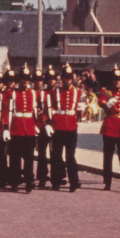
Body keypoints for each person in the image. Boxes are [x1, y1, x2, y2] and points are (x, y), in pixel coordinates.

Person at [48, 64, 83, 192]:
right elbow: (49, 107)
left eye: (69, 77)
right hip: (58, 126)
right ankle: (56, 181)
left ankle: (74, 181)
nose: (68, 80)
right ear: (61, 78)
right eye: (65, 77)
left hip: (71, 127)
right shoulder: (54, 91)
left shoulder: (77, 92)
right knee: (56, 155)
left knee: (71, 156)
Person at [8, 65, 40, 193]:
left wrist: (38, 125)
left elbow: (36, 111)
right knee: (15, 158)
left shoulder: (33, 93)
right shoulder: (12, 93)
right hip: (16, 127)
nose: (25, 81)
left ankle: (28, 181)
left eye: (27, 78)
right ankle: (15, 181)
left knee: (29, 157)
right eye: (23, 78)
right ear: (19, 79)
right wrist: (7, 128)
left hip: (29, 128)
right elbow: (8, 111)